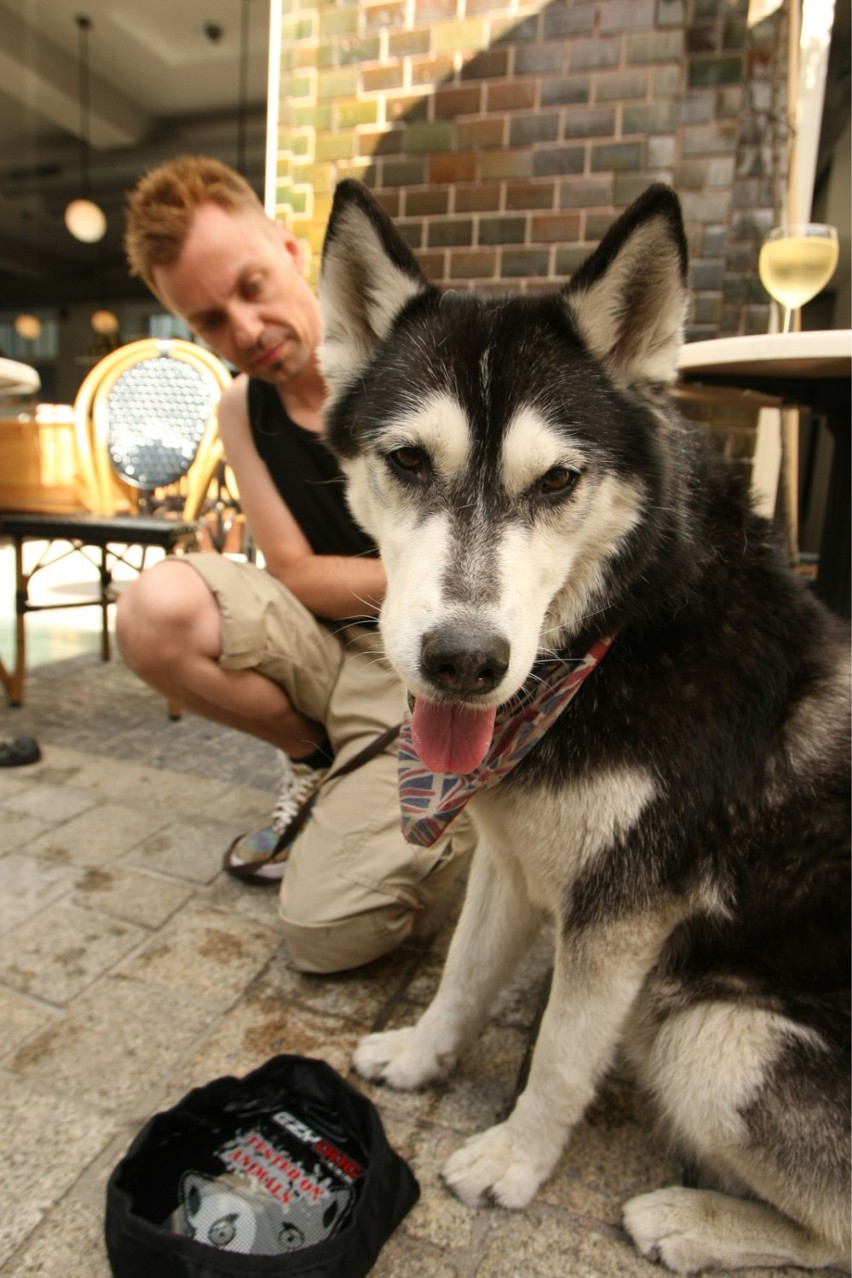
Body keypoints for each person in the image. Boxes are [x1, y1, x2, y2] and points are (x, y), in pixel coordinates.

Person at [118, 155, 473, 974]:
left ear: (288, 249)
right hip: (330, 646)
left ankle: (457, 794)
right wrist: (428, 571)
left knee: (325, 934)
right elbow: (294, 574)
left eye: (250, 286)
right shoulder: (243, 407)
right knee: (151, 611)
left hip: (427, 655)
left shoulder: (419, 357)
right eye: (208, 320)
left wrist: (440, 591)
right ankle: (320, 760)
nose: (243, 330)